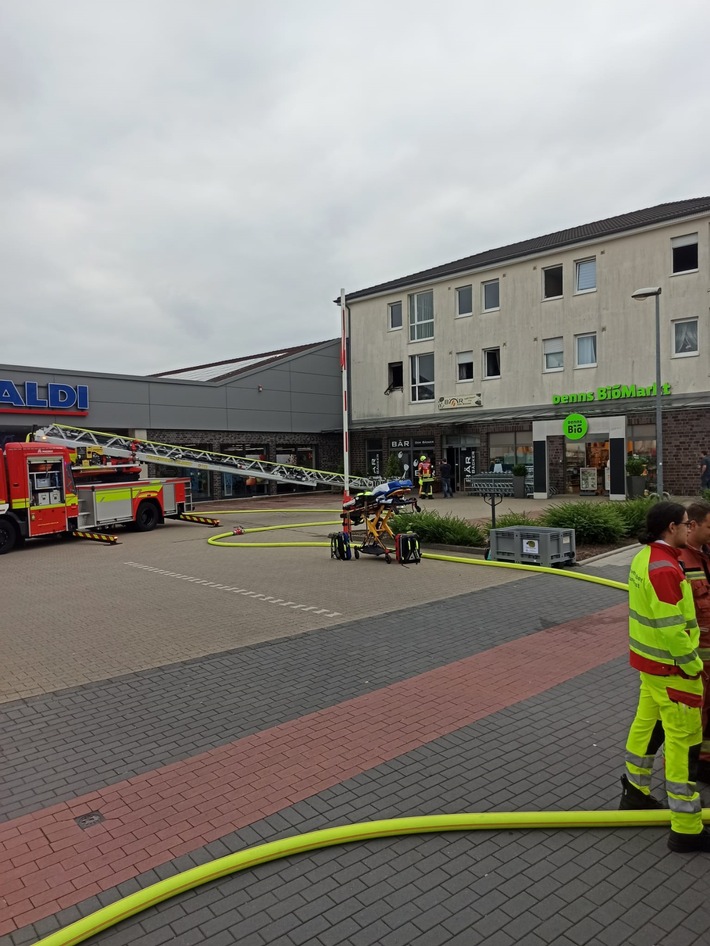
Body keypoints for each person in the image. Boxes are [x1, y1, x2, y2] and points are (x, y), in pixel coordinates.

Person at [619, 501, 710, 851]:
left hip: (650, 666)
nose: (690, 528)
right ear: (671, 527)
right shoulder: (666, 569)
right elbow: (674, 630)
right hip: (674, 671)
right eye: (687, 523)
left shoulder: (645, 558)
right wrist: (693, 666)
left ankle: (636, 791)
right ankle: (686, 827)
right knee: (683, 744)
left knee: (645, 727)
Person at [678, 500, 710, 781]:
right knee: (692, 715)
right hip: (694, 657)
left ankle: (705, 763)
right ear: (693, 525)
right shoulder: (680, 562)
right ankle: (687, 772)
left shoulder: (705, 556)